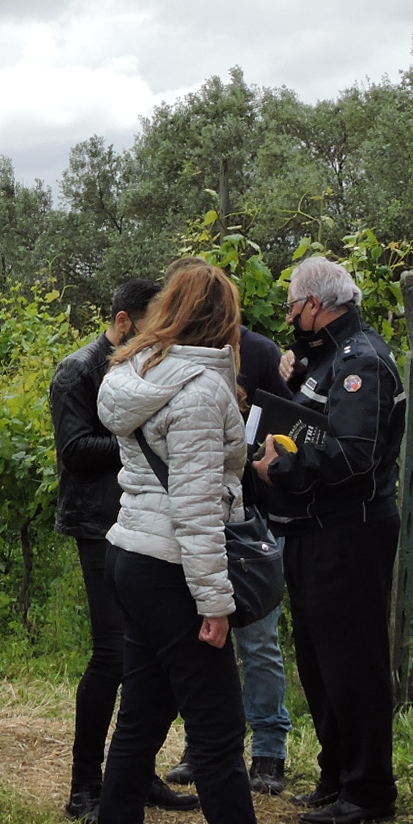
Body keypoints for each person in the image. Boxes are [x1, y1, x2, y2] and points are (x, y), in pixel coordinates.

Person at [84, 261, 335, 824]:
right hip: (173, 567)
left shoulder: (137, 374)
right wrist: (215, 603)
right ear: (222, 319)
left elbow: (176, 478)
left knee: (140, 714)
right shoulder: (198, 391)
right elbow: (196, 509)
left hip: (133, 552)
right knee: (220, 733)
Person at [253, 255, 406, 824]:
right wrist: (293, 379)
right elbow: (308, 418)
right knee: (319, 661)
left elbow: (353, 454)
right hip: (314, 530)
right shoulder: (327, 357)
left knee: (353, 660)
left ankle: (369, 791)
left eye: (293, 307)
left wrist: (282, 469)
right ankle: (337, 773)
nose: (290, 318)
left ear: (316, 305)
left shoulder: (359, 360)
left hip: (351, 531)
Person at [49, 278, 199, 821]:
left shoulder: (145, 370)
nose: (163, 335)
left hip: (146, 526)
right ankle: (85, 789)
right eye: (154, 322)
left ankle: (132, 775)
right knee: (111, 655)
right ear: (122, 321)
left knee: (154, 657)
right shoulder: (78, 371)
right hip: (98, 524)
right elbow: (74, 450)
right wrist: (146, 435)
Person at [165, 320, 294, 795]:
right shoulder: (174, 355)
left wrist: (263, 458)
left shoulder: (258, 351)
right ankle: (204, 747)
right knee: (202, 641)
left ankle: (269, 751)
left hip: (250, 524)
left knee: (258, 642)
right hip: (196, 519)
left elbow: (287, 422)